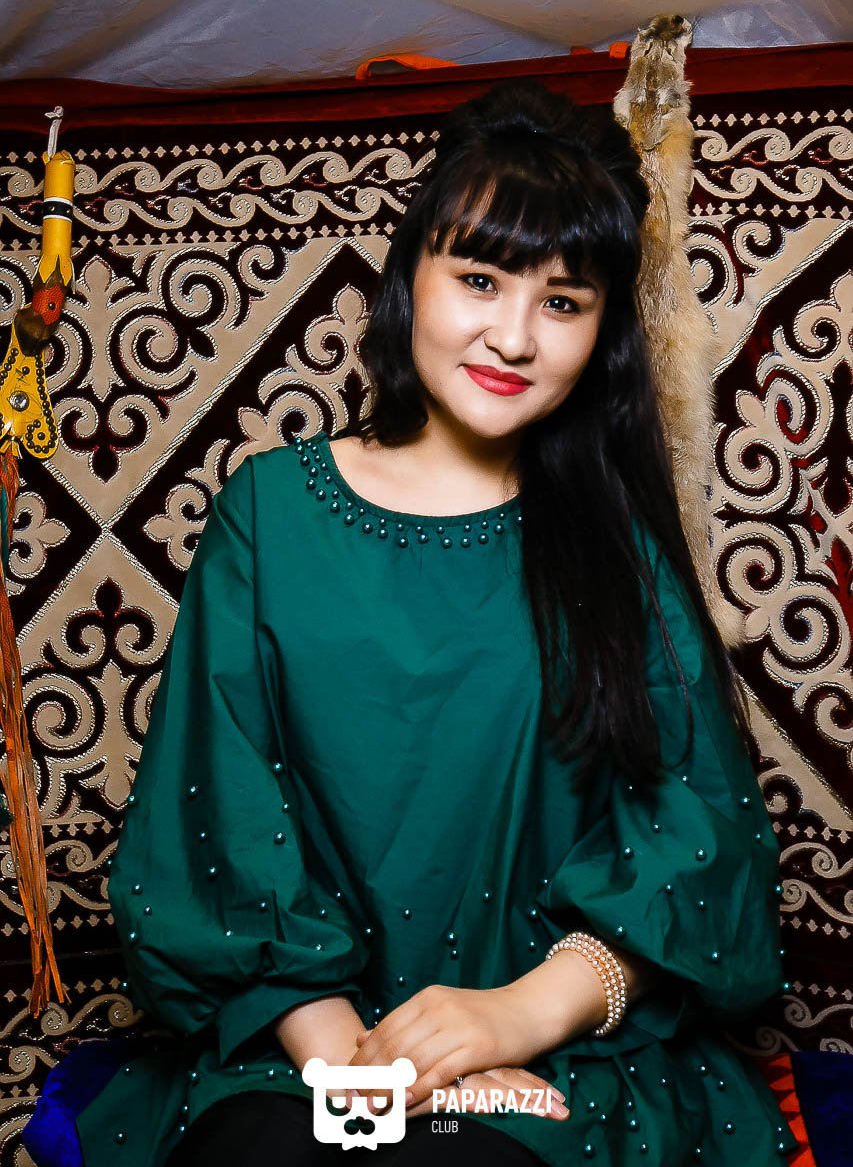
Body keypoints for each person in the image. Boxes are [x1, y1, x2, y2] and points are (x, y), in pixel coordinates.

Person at [74, 78, 798, 1167]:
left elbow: (699, 842)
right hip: (301, 1039)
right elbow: (214, 818)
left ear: (600, 331)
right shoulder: (268, 515)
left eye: (563, 302)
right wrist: (365, 1067)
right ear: (410, 273)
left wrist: (513, 1018)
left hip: (558, 1046)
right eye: (479, 279)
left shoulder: (615, 543)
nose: (514, 335)